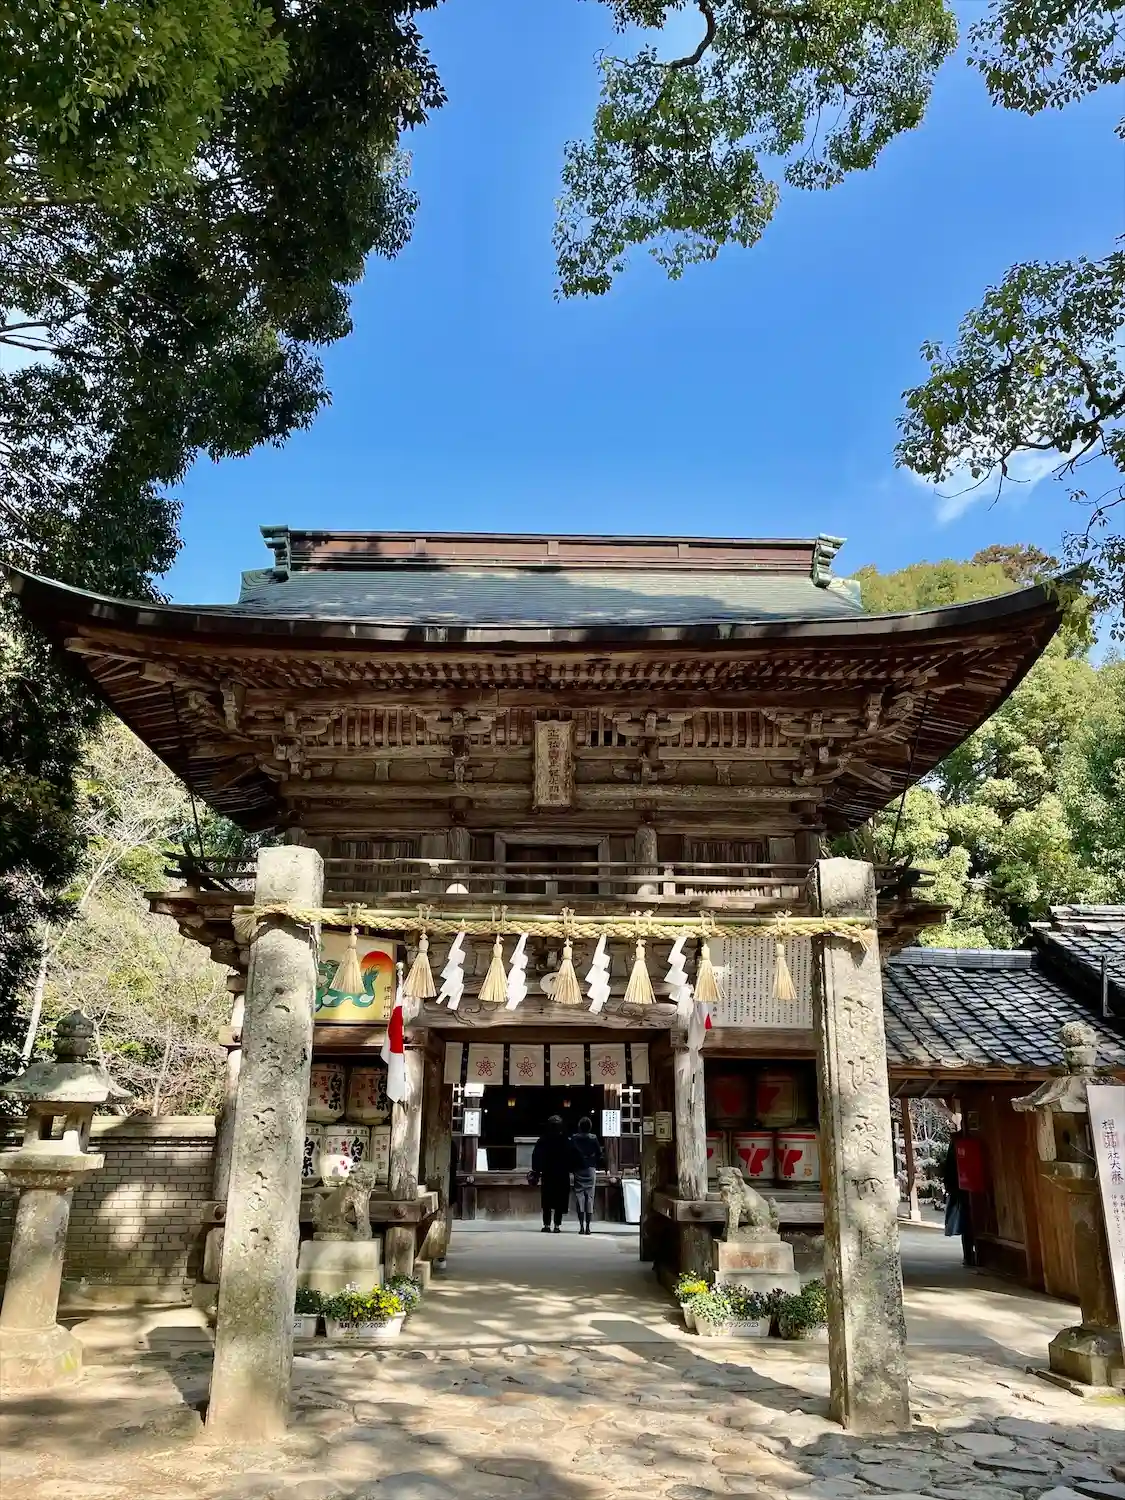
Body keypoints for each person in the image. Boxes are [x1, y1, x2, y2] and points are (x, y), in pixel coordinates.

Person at [530, 1115, 573, 1233]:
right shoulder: (565, 1140)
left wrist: (536, 1170)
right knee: (560, 1200)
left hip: (548, 1173)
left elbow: (536, 1156)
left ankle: (547, 1225)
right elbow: (571, 1156)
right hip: (562, 1174)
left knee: (547, 1201)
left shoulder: (543, 1139)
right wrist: (572, 1169)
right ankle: (557, 1225)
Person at [570, 1116, 604, 1236]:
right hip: (590, 1169)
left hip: (578, 1169)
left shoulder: (574, 1138)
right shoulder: (593, 1138)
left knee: (580, 1196)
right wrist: (594, 1162)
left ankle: (581, 1227)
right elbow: (599, 1153)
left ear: (579, 1127)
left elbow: (571, 1153)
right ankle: (588, 1227)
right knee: (590, 1197)